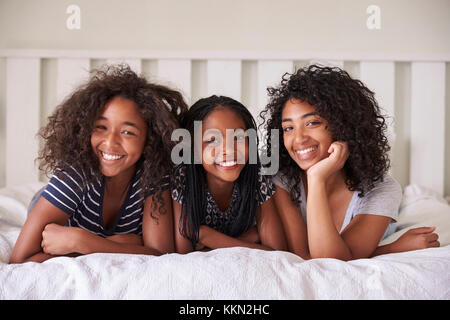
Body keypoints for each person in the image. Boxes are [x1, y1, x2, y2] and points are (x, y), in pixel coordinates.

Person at [9, 65, 188, 263]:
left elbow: (161, 256)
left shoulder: (153, 175)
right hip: (54, 207)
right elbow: (20, 259)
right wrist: (124, 245)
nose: (110, 142)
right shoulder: (75, 174)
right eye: (101, 127)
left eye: (128, 132)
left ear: (150, 138)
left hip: (80, 237)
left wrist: (84, 242)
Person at [261, 64, 440, 261]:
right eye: (288, 128)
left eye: (312, 123)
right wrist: (391, 249)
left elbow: (329, 258)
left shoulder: (381, 189)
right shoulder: (282, 180)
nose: (299, 139)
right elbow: (311, 258)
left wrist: (315, 178)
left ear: (343, 125)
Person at [171, 95, 287, 253]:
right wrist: (253, 235)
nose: (229, 149)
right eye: (212, 140)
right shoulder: (182, 177)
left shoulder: (257, 173)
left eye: (238, 137)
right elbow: (184, 254)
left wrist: (206, 236)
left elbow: (275, 252)